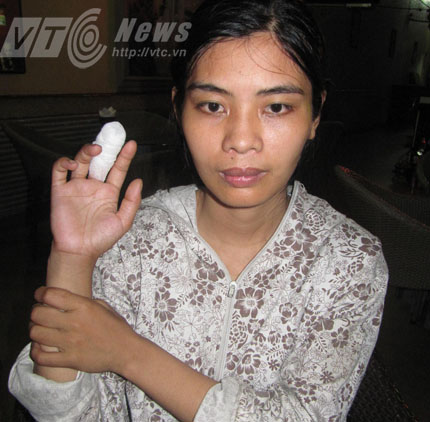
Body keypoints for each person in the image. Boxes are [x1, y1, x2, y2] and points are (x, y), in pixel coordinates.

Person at [9, 0, 388, 421]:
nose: (240, 140)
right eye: (212, 105)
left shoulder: (349, 260)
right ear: (178, 108)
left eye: (276, 106)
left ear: (316, 115)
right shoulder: (129, 239)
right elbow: (74, 414)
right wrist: (73, 257)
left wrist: (128, 353)